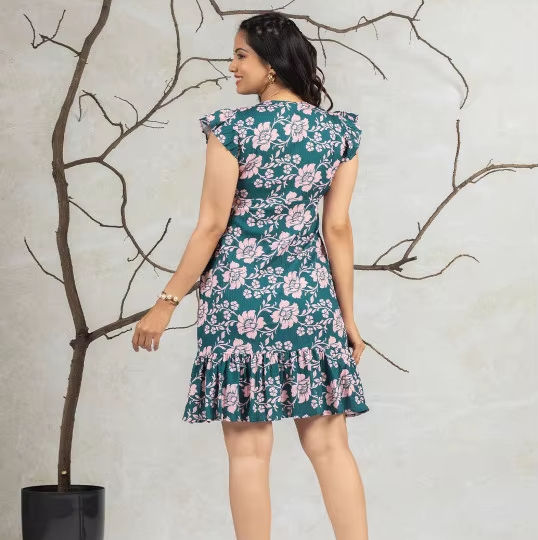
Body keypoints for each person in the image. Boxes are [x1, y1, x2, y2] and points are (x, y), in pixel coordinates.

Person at [132, 11, 370, 540]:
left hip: (238, 304)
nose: (232, 66)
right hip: (309, 303)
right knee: (330, 446)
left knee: (247, 452)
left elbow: (211, 225)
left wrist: (166, 302)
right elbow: (337, 228)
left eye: (241, 55)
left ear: (272, 63)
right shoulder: (339, 132)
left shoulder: (232, 129)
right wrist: (349, 319)